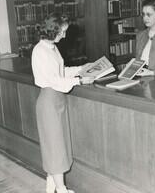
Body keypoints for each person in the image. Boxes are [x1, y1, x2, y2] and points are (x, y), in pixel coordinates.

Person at [31, 12, 94, 193]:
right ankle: (61, 189)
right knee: (55, 146)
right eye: (62, 32)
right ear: (52, 31)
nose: (65, 35)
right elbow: (54, 81)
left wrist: (81, 69)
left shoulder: (52, 47)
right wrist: (80, 81)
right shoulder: (40, 50)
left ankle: (52, 183)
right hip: (49, 101)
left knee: (60, 144)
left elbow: (61, 72)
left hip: (58, 99)